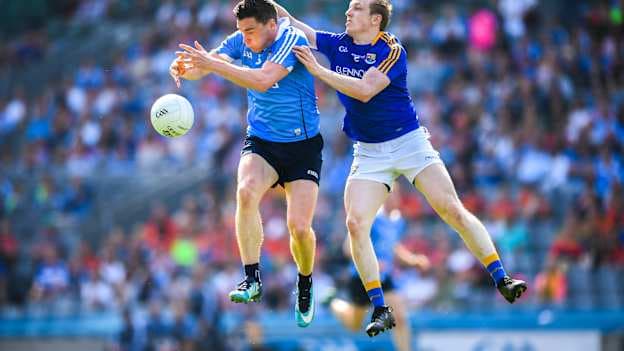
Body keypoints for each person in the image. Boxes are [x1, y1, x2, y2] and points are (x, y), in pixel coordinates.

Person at [273, 0, 527, 336]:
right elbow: (291, 22)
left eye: (357, 8)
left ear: (375, 19)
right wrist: (265, 5)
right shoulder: (338, 43)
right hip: (370, 152)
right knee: (355, 222)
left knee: (452, 209)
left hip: (409, 143)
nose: (348, 13)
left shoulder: (392, 49)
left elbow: (365, 90)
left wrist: (319, 71)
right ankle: (380, 308)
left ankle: (501, 278)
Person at [171, 0, 322, 327]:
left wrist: (212, 65)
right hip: (263, 141)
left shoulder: (291, 39)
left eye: (250, 31)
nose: (245, 38)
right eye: (242, 31)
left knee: (299, 227)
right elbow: (210, 63)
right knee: (245, 191)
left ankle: (306, 281)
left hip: (302, 147)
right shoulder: (242, 38)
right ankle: (252, 278)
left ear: (271, 25)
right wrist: (188, 67)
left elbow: (263, 80)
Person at [325, 187, 429, 351]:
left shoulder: (397, 221)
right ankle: (332, 303)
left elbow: (392, 246)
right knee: (354, 324)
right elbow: (348, 248)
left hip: (383, 279)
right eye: (391, 195)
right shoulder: (370, 217)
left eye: (396, 194)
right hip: (361, 278)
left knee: (400, 317)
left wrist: (412, 260)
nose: (395, 199)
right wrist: (371, 262)